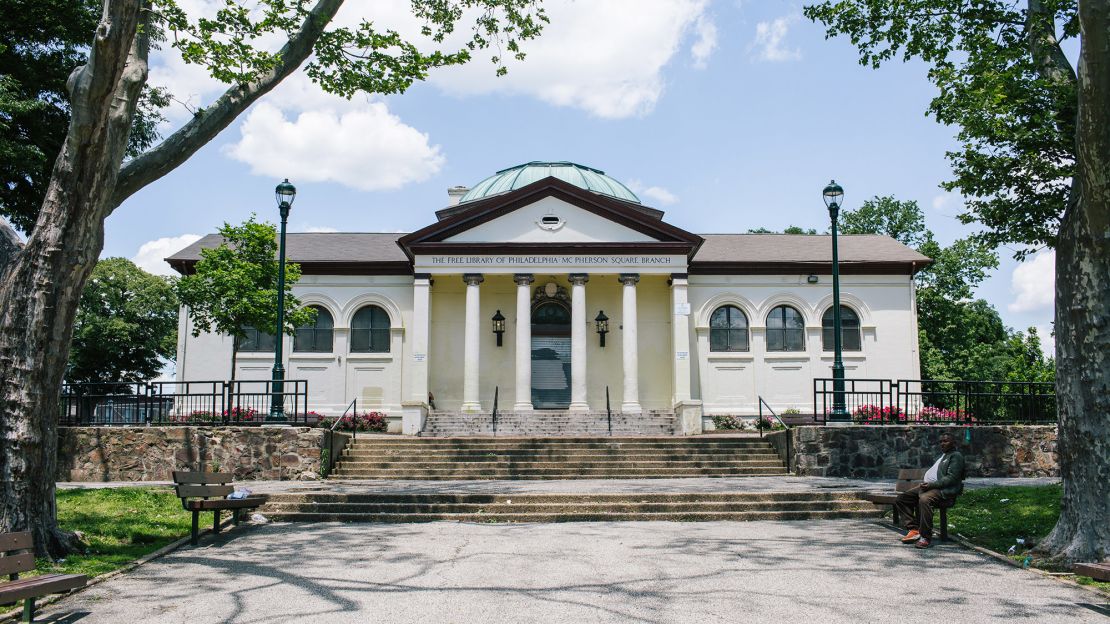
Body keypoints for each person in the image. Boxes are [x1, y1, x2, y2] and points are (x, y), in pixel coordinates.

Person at [895, 432, 966, 549]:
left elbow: (952, 478)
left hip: (943, 490)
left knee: (924, 499)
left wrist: (931, 485)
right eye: (941, 442)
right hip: (930, 487)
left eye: (945, 441)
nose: (942, 444)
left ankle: (925, 537)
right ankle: (914, 529)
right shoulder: (944, 456)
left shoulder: (956, 456)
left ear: (954, 443)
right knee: (902, 499)